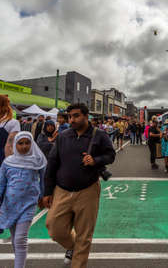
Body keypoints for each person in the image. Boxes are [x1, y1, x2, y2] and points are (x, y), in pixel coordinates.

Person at [43, 103, 116, 268]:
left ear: (86, 116)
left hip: (88, 191)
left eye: (76, 116)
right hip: (62, 190)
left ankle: (78, 259)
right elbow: (52, 164)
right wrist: (47, 191)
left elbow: (111, 155)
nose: (72, 120)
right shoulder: (63, 136)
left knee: (84, 236)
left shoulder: (100, 135)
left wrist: (95, 160)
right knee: (54, 228)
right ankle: (72, 247)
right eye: (70, 116)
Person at [0, 131, 47, 268]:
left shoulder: (37, 161)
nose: (24, 146)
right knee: (15, 239)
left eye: (27, 143)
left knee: (20, 238)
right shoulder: (7, 162)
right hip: (10, 204)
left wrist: (43, 196)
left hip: (29, 204)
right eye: (20, 143)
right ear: (15, 145)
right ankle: (19, 262)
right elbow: (2, 183)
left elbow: (43, 181)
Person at [0, 95, 20, 166]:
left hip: (3, 158)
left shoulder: (12, 122)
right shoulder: (14, 122)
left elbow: (9, 146)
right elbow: (10, 145)